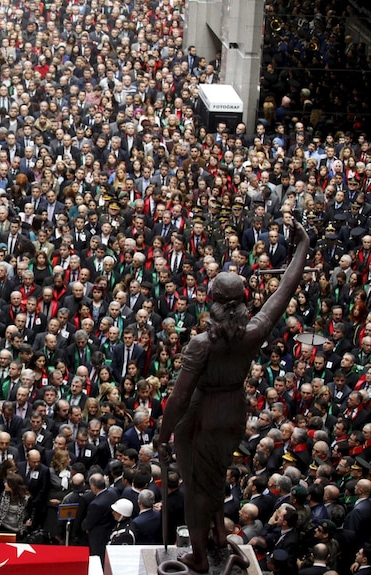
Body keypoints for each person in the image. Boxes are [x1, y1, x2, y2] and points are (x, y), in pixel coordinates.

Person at [158, 216, 311, 573]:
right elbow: (283, 290)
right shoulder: (253, 331)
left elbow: (179, 398)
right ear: (242, 301)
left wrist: (163, 435)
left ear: (211, 300)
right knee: (215, 477)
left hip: (201, 413)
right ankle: (219, 538)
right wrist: (302, 246)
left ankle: (198, 556)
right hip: (233, 411)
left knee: (197, 487)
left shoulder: (201, 345)